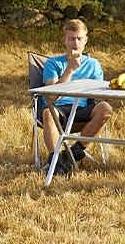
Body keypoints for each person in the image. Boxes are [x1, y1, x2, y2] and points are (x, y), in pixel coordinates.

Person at [38, 17, 112, 174]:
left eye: (79, 38)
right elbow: (50, 97)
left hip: (82, 109)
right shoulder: (53, 63)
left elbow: (99, 93)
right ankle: (56, 162)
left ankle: (73, 153)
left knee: (105, 108)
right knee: (47, 112)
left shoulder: (93, 64)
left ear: (86, 40)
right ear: (64, 40)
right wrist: (70, 70)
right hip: (59, 109)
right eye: (71, 39)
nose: (75, 43)